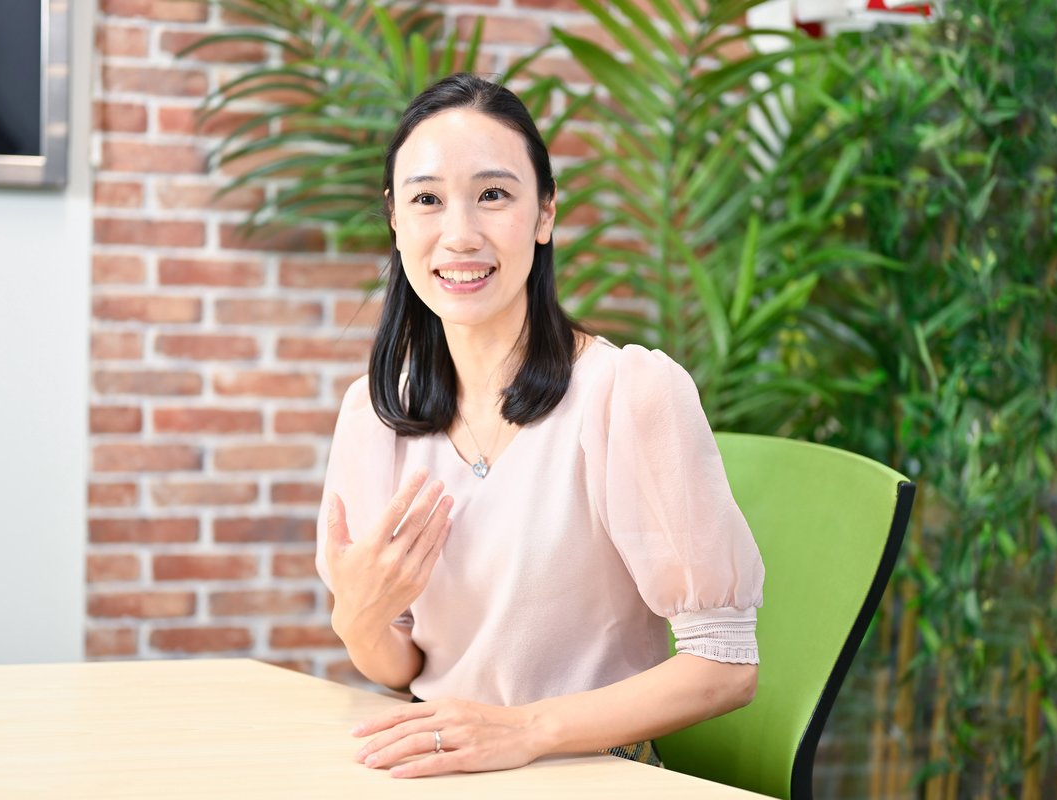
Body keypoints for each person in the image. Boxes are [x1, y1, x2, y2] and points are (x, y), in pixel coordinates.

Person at [315, 73, 764, 779]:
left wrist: (524, 731)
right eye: (427, 200)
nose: (460, 235)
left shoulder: (626, 394)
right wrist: (360, 618)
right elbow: (400, 665)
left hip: (594, 770)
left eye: (493, 195)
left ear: (545, 214)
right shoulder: (375, 418)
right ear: (396, 221)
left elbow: (726, 666)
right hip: (448, 764)